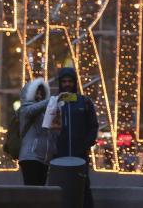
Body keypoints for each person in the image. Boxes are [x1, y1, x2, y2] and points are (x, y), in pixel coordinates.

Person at [52, 66, 98, 208]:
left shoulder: (85, 102)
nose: (67, 84)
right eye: (64, 81)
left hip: (80, 154)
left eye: (70, 81)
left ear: (75, 82)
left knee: (83, 186)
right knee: (60, 187)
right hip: (59, 154)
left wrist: (85, 144)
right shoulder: (54, 102)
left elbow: (93, 126)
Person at [17, 77, 55, 186]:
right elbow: (31, 110)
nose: (39, 96)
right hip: (30, 156)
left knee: (40, 191)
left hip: (43, 158)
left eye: (41, 94)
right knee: (32, 190)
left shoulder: (44, 111)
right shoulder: (25, 108)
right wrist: (50, 101)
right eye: (36, 93)